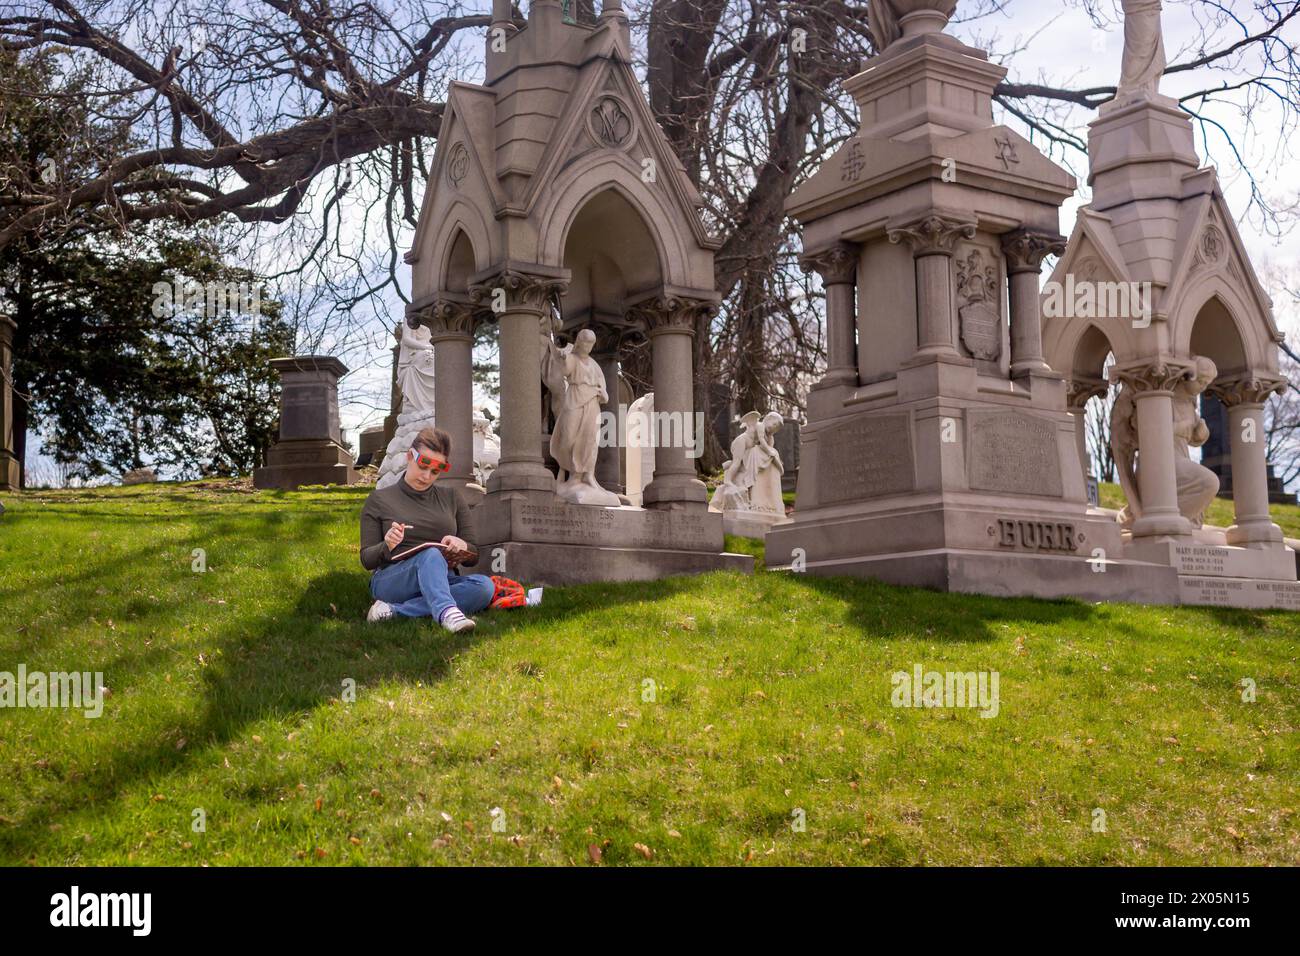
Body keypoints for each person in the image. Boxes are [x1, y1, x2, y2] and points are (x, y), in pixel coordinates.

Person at [359, 426, 495, 633]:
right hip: (393, 580)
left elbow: (473, 555)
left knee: (484, 587)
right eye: (423, 465)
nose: (426, 476)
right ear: (409, 456)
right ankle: (447, 612)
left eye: (435, 471)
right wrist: (387, 545)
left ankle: (393, 611)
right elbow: (367, 559)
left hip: (443, 578)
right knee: (430, 554)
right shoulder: (379, 499)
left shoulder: (452, 498)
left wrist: (462, 545)